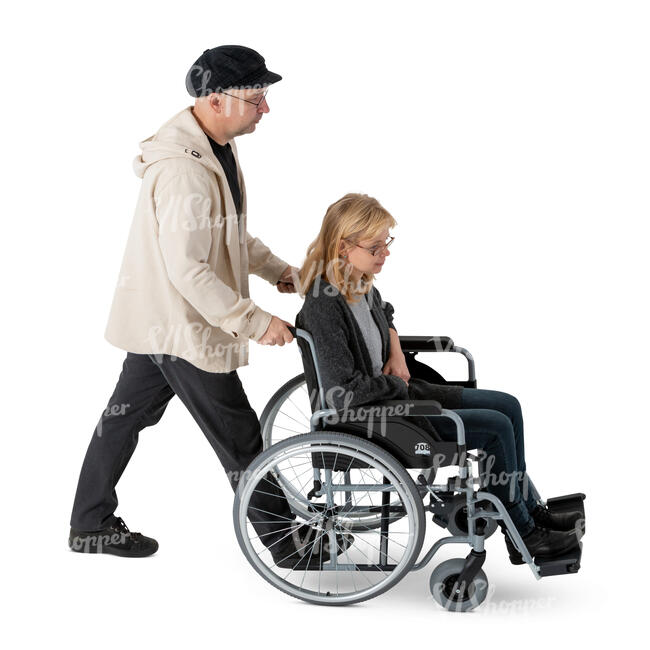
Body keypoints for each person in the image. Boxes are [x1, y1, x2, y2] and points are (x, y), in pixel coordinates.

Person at [68, 45, 349, 565]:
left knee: (123, 419)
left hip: (161, 322)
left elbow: (227, 235)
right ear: (216, 100)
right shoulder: (185, 172)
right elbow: (189, 269)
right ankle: (291, 550)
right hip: (182, 326)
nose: (266, 108)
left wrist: (280, 272)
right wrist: (254, 321)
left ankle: (89, 523)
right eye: (257, 97)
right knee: (240, 437)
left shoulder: (215, 147)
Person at [294, 193, 583, 562]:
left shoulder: (360, 283)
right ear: (342, 246)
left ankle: (528, 509)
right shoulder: (324, 305)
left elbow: (385, 312)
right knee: (494, 426)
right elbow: (341, 395)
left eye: (387, 243)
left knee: (508, 404)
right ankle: (523, 531)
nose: (385, 253)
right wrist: (397, 383)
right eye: (375, 246)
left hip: (397, 397)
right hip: (371, 418)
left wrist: (395, 350)